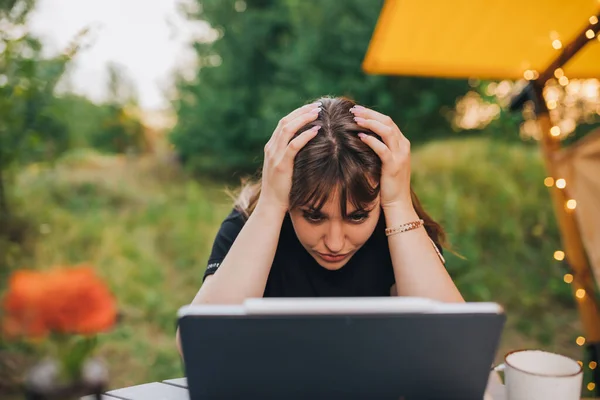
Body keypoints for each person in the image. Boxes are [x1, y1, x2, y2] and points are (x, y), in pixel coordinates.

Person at [176, 96, 463, 354]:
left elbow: (456, 344)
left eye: (357, 216)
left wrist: (399, 204)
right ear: (289, 200)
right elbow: (197, 344)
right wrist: (270, 206)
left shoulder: (398, 227)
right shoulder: (253, 222)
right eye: (314, 216)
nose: (335, 243)